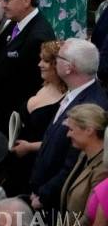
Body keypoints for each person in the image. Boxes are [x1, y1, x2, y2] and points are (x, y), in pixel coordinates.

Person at [28, 39, 108, 211]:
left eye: (59, 58)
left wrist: (45, 195)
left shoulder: (91, 107)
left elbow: (74, 164)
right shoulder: (76, 93)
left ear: (69, 67)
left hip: (55, 205)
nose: (55, 61)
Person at [0, 0, 57, 134]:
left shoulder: (39, 36)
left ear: (26, 0)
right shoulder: (14, 22)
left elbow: (37, 86)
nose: (2, 4)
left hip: (15, 127)